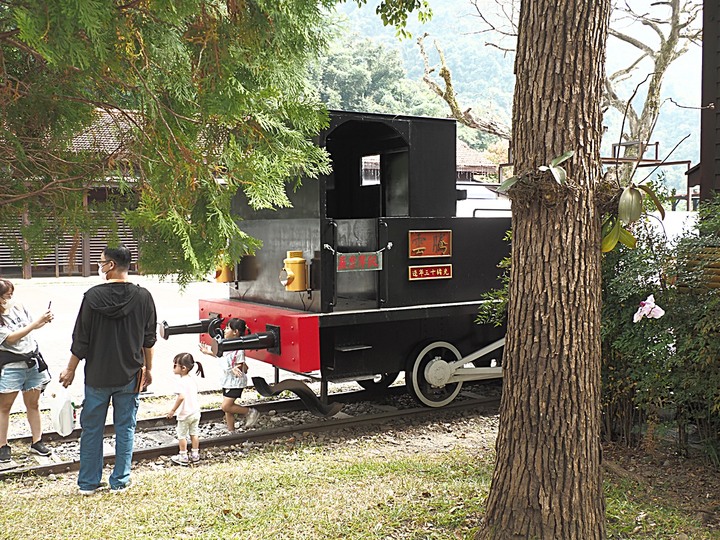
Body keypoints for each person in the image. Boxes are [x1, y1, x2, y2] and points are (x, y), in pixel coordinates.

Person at [59, 245, 157, 495]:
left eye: (101, 262)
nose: (99, 266)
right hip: (130, 374)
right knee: (125, 428)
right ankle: (120, 481)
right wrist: (148, 369)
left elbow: (81, 340)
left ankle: (88, 484)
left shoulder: (92, 297)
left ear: (111, 265)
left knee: (92, 430)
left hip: (97, 376)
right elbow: (149, 339)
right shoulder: (144, 296)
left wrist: (70, 370)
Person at [0, 278, 54, 462]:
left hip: (32, 362)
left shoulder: (18, 307)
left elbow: (30, 327)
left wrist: (43, 320)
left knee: (34, 404)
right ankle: (2, 445)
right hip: (11, 366)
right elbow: (10, 339)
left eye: (11, 294)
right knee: (5, 407)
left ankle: (37, 441)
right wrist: (35, 323)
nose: (10, 298)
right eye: (7, 296)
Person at [199, 318, 259, 432]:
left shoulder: (239, 349)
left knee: (226, 406)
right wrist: (207, 352)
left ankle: (250, 412)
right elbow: (221, 355)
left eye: (227, 328)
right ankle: (231, 431)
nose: (224, 331)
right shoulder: (226, 345)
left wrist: (237, 368)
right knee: (228, 410)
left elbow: (240, 364)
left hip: (235, 382)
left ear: (235, 332)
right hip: (227, 380)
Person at [166, 352, 204, 466]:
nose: (173, 368)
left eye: (175, 365)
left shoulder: (181, 382)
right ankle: (195, 455)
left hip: (185, 414)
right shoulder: (191, 380)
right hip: (195, 412)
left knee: (182, 435)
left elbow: (181, 397)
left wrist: (173, 410)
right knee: (194, 433)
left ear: (183, 368)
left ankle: (183, 456)